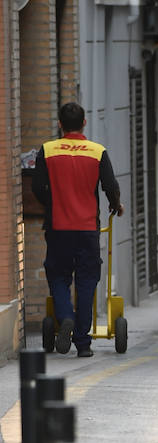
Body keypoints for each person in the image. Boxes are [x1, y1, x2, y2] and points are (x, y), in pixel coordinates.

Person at [31, 102, 124, 358]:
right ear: (84, 123)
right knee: (86, 281)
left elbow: (38, 187)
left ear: (60, 124)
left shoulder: (48, 150)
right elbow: (110, 186)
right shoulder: (96, 151)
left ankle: (65, 317)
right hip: (87, 229)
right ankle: (83, 344)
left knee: (58, 277)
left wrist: (52, 205)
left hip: (58, 227)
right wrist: (116, 205)